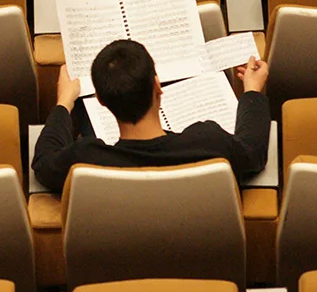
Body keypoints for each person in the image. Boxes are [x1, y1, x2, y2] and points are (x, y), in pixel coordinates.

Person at [31, 39, 271, 193]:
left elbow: (43, 163)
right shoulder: (210, 143)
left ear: (101, 101)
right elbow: (253, 151)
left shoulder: (86, 160)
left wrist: (64, 101)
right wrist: (251, 90)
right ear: (157, 86)